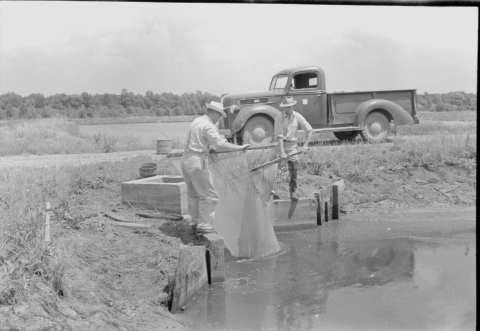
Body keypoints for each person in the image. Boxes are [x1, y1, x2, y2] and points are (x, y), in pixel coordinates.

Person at [181, 101, 250, 234]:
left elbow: (200, 139)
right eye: (219, 116)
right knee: (210, 195)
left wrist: (208, 146)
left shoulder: (197, 120)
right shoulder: (208, 125)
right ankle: (205, 225)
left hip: (186, 159)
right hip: (197, 161)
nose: (219, 119)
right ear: (216, 113)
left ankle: (194, 223)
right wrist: (239, 147)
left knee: (194, 194)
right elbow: (220, 143)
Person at [271, 96, 313, 200]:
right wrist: (282, 152)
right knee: (272, 166)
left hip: (292, 145)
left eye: (289, 107)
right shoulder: (279, 118)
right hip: (279, 145)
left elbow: (309, 130)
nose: (287, 109)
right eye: (285, 107)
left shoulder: (298, 117)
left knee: (294, 168)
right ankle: (272, 192)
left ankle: (293, 191)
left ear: (293, 106)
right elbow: (279, 136)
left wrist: (305, 145)